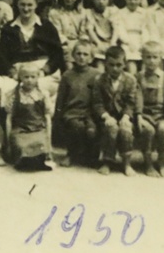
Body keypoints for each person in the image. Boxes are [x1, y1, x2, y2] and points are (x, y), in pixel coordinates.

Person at [90, 45, 143, 177]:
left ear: (124, 64)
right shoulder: (99, 80)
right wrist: (106, 116)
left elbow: (131, 102)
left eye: (119, 65)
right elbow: (97, 103)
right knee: (111, 128)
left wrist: (126, 117)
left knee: (126, 130)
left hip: (123, 116)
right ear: (105, 64)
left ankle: (127, 163)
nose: (115, 68)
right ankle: (108, 161)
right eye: (111, 65)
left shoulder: (130, 80)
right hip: (106, 116)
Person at [54, 40, 99, 168]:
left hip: (90, 112)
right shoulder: (67, 75)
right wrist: (58, 116)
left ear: (91, 58)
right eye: (78, 54)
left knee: (92, 130)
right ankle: (71, 154)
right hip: (72, 112)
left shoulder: (96, 75)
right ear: (73, 56)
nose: (81, 57)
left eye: (85, 54)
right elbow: (60, 98)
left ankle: (90, 155)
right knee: (76, 126)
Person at [8, 63, 53, 171]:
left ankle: (37, 162)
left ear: (38, 77)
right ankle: (25, 162)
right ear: (20, 77)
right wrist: (8, 142)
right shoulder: (14, 94)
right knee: (21, 146)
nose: (29, 80)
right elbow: (9, 118)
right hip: (21, 130)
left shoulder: (42, 94)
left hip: (38, 129)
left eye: (33, 77)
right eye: (26, 77)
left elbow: (47, 118)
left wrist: (49, 141)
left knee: (40, 145)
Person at [137, 42, 164, 177]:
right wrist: (139, 116)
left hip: (161, 115)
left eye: (155, 57)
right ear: (142, 58)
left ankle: (161, 163)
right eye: (148, 57)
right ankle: (148, 164)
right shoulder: (138, 77)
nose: (151, 61)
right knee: (148, 131)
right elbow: (137, 98)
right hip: (144, 115)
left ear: (160, 58)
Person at [50, 0, 85, 71]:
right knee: (68, 56)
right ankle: (70, 75)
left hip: (79, 43)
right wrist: (66, 43)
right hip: (63, 44)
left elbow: (83, 31)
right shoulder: (55, 13)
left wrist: (80, 43)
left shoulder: (82, 13)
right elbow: (57, 32)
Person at [80, 0, 117, 66]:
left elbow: (116, 29)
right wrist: (99, 44)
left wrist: (112, 43)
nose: (101, 1)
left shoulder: (113, 11)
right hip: (96, 42)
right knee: (98, 59)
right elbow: (90, 30)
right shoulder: (89, 12)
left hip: (111, 42)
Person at [113, 0, 147, 74]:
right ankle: (132, 78)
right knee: (131, 62)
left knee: (145, 62)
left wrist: (144, 43)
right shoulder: (120, 13)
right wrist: (128, 43)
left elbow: (146, 29)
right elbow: (120, 30)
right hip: (127, 42)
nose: (133, 1)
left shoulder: (145, 13)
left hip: (142, 41)